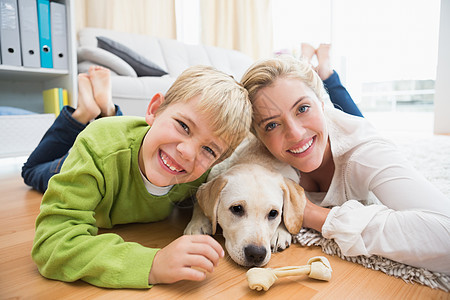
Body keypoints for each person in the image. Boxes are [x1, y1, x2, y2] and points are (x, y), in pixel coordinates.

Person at [29, 65, 252, 288]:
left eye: (209, 150)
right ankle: (83, 113)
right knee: (32, 171)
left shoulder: (197, 174)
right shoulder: (96, 150)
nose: (187, 152)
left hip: (137, 141)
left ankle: (107, 108)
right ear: (154, 109)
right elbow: (51, 243)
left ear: (218, 161)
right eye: (183, 126)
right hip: (90, 154)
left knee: (144, 141)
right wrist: (152, 264)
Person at [240, 52, 450, 274]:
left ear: (321, 104)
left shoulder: (364, 149)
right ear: (259, 138)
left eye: (302, 108)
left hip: (345, 130)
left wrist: (311, 214)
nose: (295, 133)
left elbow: (444, 236)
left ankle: (326, 69)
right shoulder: (256, 159)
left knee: (356, 116)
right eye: (272, 125)